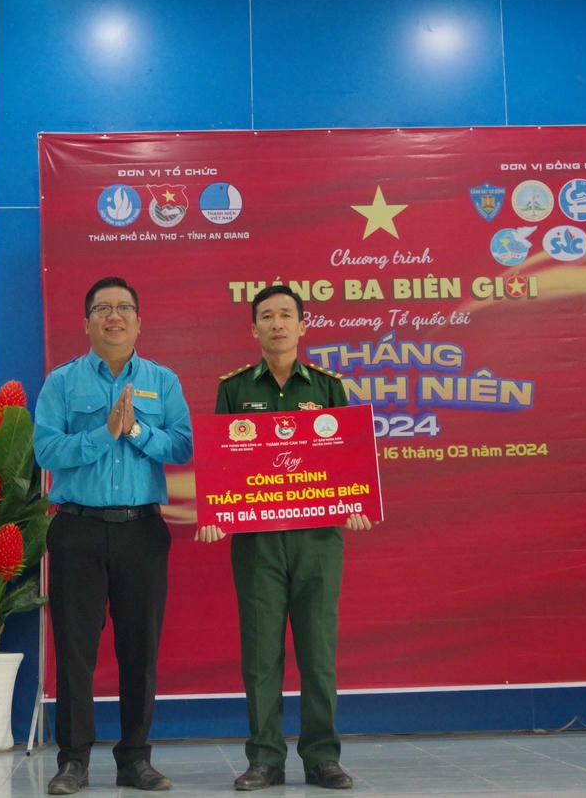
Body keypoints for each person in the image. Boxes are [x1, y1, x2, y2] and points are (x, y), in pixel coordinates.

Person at [198, 284, 375, 791]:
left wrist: (355, 502)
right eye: (267, 316)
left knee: (318, 654)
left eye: (286, 315)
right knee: (260, 655)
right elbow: (222, 460)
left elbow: (346, 459)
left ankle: (322, 758)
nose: (277, 324)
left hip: (317, 539)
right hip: (257, 542)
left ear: (303, 325)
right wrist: (216, 511)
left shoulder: (328, 387)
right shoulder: (234, 389)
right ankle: (265, 760)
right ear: (253, 328)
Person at [34, 276, 193, 795]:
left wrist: (137, 430)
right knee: (74, 651)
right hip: (76, 529)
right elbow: (46, 451)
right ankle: (73, 762)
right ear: (86, 322)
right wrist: (105, 433)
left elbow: (183, 446)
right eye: (102, 308)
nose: (114, 316)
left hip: (141, 531)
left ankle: (135, 760)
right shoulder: (61, 382)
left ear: (139, 322)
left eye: (124, 307)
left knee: (139, 650)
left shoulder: (163, 381)